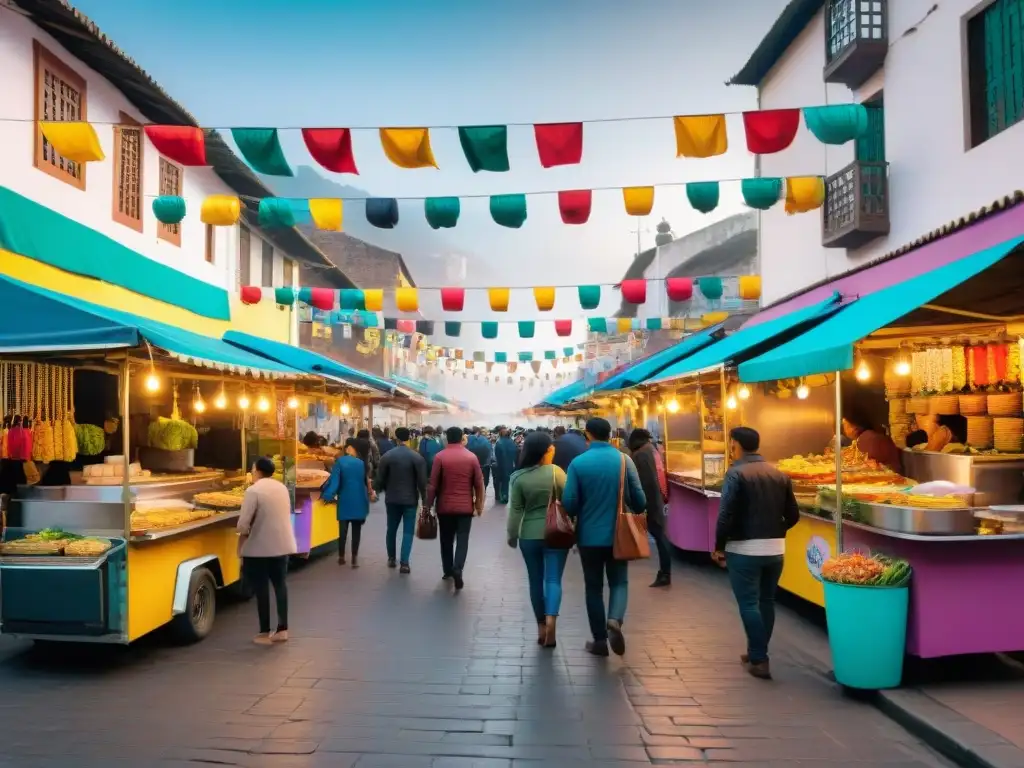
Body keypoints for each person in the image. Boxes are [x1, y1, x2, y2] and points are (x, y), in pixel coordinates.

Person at [713, 426, 800, 680]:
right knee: (766, 601)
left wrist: (719, 546)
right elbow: (793, 515)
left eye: (731, 443)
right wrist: (777, 530)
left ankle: (760, 659)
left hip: (744, 549)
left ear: (735, 444)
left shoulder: (735, 474)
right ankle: (755, 651)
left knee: (749, 603)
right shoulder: (779, 474)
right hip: (775, 549)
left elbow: (725, 515)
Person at [562, 417, 646, 657]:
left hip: (588, 537)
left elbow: (569, 504)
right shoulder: (624, 460)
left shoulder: (578, 463)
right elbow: (640, 502)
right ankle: (615, 620)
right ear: (610, 434)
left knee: (593, 587)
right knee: (619, 582)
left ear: (587, 435)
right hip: (619, 535)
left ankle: (599, 641)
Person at [507, 431, 569, 648]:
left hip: (529, 535)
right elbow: (569, 501)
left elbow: (515, 510)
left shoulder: (519, 477)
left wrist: (512, 535)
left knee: (535, 580)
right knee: (553, 579)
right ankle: (552, 619)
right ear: (547, 450)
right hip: (556, 533)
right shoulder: (557, 473)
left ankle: (541, 627)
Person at [236, 456, 298, 645]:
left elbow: (244, 523)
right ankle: (283, 629)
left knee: (262, 587)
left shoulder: (253, 491)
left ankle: (264, 632)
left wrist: (241, 536)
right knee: (280, 585)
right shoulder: (281, 488)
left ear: (257, 471)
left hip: (260, 547)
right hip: (282, 545)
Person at [425, 426, 485, 591]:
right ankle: (458, 568)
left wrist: (427, 505)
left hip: (444, 507)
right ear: (461, 438)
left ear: (446, 438)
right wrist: (478, 505)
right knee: (462, 539)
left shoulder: (440, 457)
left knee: (446, 539)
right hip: (465, 507)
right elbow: (479, 484)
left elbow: (432, 485)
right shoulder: (471, 457)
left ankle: (448, 570)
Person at [374, 426, 426, 573]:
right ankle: (404, 563)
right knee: (408, 531)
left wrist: (376, 491)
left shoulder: (387, 456)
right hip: (410, 500)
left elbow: (380, 480)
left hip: (392, 499)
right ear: (409, 438)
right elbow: (422, 483)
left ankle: (391, 558)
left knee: (391, 529)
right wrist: (426, 501)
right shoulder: (417, 458)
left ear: (396, 437)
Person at [322, 437, 375, 567]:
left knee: (343, 530)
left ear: (350, 449)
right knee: (356, 530)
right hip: (359, 499)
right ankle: (354, 559)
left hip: (345, 499)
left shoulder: (340, 462)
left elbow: (335, 482)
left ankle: (341, 556)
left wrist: (328, 495)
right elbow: (365, 481)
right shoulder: (361, 463)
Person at [629, 428, 671, 587]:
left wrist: (643, 505)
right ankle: (665, 573)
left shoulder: (641, 454)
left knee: (660, 537)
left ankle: (665, 574)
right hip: (656, 500)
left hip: (651, 502)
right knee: (661, 536)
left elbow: (646, 482)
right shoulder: (652, 449)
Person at [493, 428, 518, 504]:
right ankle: (506, 496)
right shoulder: (512, 442)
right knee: (507, 481)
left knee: (499, 481)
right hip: (510, 465)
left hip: (500, 464)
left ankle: (501, 496)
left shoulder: (499, 442)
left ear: (500, 434)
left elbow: (496, 456)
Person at [466, 428, 493, 492]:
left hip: (472, 466)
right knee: (484, 483)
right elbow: (490, 454)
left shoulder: (468, 440)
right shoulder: (486, 441)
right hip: (485, 465)